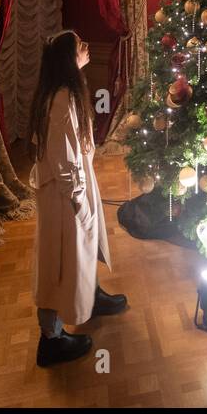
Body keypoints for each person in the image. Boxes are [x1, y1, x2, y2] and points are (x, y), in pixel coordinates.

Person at [29, 30, 127, 367]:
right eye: (79, 45)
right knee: (58, 261)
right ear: (67, 59)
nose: (86, 47)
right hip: (64, 194)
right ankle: (51, 339)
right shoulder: (61, 100)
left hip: (72, 186)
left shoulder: (66, 91)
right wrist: (77, 198)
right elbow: (64, 157)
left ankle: (91, 295)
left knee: (83, 248)